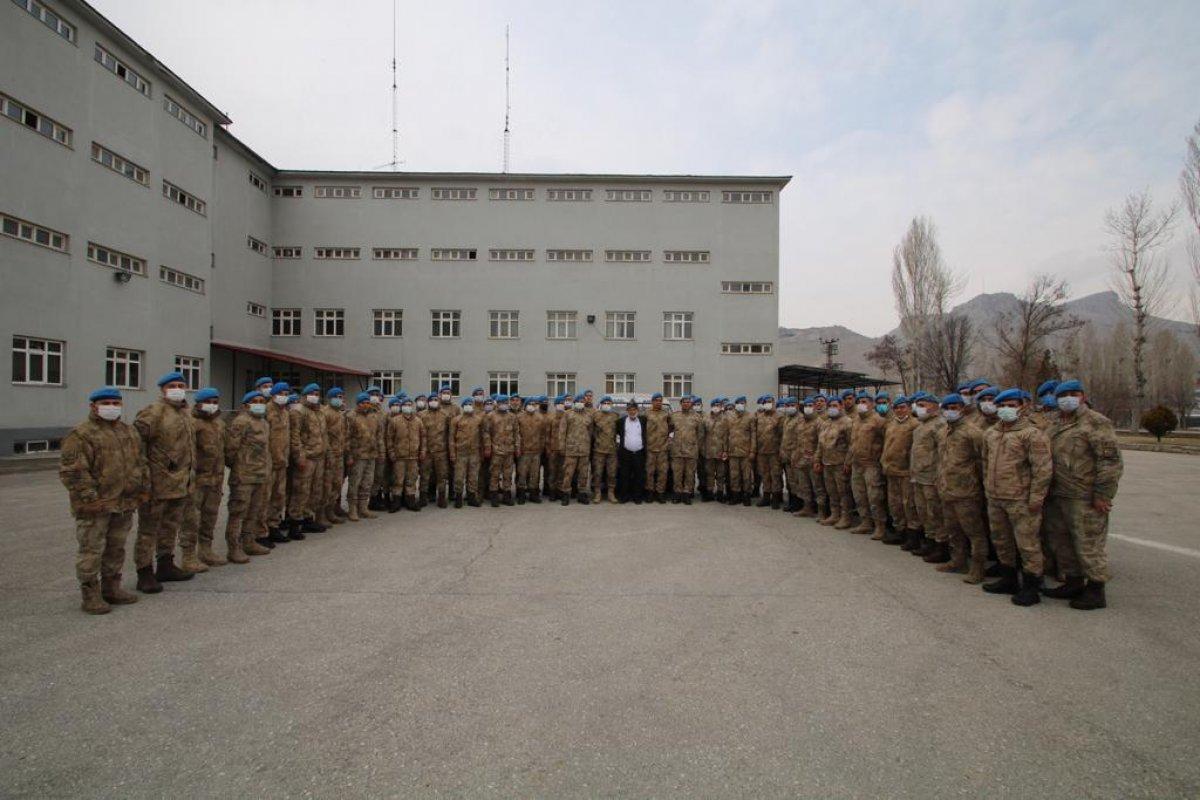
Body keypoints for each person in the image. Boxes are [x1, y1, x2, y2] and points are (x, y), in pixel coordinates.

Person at [59, 386, 148, 614]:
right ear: (93, 406)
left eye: (115, 403)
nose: (111, 407)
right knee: (91, 550)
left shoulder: (128, 431)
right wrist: (90, 499)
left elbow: (141, 462)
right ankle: (90, 594)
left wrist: (142, 488)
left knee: (116, 548)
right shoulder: (81, 434)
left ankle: (111, 588)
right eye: (106, 403)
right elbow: (74, 472)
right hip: (95, 506)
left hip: (123, 503)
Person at [1042, 379, 1124, 610]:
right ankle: (1073, 581)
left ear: (1083, 396)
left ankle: (1096, 589)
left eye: (1073, 393)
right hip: (1057, 493)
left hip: (1084, 496)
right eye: (1062, 394)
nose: (1067, 398)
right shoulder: (1054, 423)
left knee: (1088, 543)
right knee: (1062, 541)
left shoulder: (1096, 422)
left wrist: (1103, 494)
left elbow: (1110, 461)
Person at [981, 388, 1053, 603]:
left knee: (1028, 544)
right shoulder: (991, 434)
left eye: (1011, 405)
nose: (1005, 409)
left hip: (1020, 499)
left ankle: (1032, 584)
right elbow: (986, 463)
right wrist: (988, 488)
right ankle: (1009, 579)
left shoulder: (1032, 434)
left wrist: (1036, 498)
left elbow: (1042, 469)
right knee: (1001, 541)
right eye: (1002, 406)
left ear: (1023, 406)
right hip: (996, 496)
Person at [133, 371, 196, 593]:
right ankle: (144, 572)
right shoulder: (153, 413)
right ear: (163, 390)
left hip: (180, 484)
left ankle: (166, 565)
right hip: (157, 485)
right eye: (173, 386)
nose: (178, 389)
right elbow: (136, 448)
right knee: (148, 530)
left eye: (181, 385)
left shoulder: (185, 414)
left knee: (170, 527)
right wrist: (143, 480)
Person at [935, 393, 988, 574]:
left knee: (974, 532)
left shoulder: (973, 432)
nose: (951, 412)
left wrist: (978, 485)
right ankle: (958, 561)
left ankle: (978, 567)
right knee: (953, 530)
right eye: (947, 409)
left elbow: (983, 461)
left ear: (962, 409)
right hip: (947, 489)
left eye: (955, 408)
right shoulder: (943, 432)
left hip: (966, 492)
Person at [222, 390, 272, 563]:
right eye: (255, 401)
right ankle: (233, 547)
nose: (259, 403)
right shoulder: (241, 422)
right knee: (238, 512)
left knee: (254, 510)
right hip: (243, 476)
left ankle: (249, 542)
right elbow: (230, 450)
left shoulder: (264, 423)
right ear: (245, 405)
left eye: (261, 401)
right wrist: (240, 467)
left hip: (260, 474)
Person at [180, 387, 225, 572]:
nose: (212, 406)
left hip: (216, 478)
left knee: (210, 516)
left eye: (215, 402)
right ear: (198, 404)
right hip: (198, 479)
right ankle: (188, 556)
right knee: (191, 519)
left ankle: (206, 550)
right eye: (208, 402)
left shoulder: (219, 424)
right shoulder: (193, 424)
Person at [286, 383, 328, 537]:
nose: (315, 396)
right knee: (301, 491)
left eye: (317, 393)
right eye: (312, 393)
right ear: (304, 395)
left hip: (319, 457)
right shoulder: (298, 411)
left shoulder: (319, 412)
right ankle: (295, 523)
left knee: (315, 490)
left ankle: (308, 518)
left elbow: (324, 436)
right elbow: (295, 437)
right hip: (306, 458)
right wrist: (299, 457)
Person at [848, 390, 888, 537]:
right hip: (857, 463)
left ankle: (880, 526)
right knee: (859, 495)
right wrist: (848, 461)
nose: (861, 405)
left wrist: (882, 461)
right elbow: (852, 443)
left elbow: (887, 442)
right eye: (859, 402)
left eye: (864, 402)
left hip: (872, 464)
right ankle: (865, 522)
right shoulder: (856, 420)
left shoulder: (879, 421)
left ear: (872, 404)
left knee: (874, 497)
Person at [880, 394, 919, 546]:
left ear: (909, 408)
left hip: (906, 471)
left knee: (908, 504)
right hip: (891, 470)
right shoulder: (891, 424)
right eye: (896, 407)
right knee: (894, 503)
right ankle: (899, 531)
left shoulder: (915, 424)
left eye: (903, 407)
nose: (899, 410)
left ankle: (913, 535)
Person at [814, 395, 853, 528]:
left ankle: (846, 517)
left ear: (841, 406)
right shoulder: (826, 423)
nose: (832, 409)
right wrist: (817, 460)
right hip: (827, 463)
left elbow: (851, 444)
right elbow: (820, 444)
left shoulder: (847, 422)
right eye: (830, 406)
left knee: (843, 492)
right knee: (832, 491)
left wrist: (848, 462)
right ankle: (834, 514)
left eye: (835, 406)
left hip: (840, 464)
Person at [261, 381, 292, 543]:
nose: (284, 397)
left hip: (282, 460)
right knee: (265, 497)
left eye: (287, 395)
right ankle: (261, 531)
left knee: (278, 496)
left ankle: (273, 526)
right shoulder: (266, 411)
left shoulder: (285, 412)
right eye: (281, 394)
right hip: (269, 462)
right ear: (273, 395)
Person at [345, 390, 382, 521]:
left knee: (367, 483)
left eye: (368, 402)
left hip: (371, 455)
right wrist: (349, 455)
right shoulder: (351, 416)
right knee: (355, 483)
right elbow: (347, 438)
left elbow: (378, 436)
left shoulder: (373, 416)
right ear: (358, 404)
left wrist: (379, 451)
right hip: (357, 456)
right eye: (363, 403)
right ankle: (352, 509)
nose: (366, 405)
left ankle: (363, 508)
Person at [386, 396, 426, 511]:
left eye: (409, 405)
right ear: (401, 407)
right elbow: (389, 438)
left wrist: (422, 451)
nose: (408, 407)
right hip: (399, 456)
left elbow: (423, 437)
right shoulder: (395, 421)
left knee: (411, 479)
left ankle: (411, 501)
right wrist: (391, 452)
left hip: (413, 456)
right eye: (405, 405)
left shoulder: (418, 421)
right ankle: (396, 502)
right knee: (398, 479)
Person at [449, 397, 485, 507]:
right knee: (459, 476)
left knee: (473, 476)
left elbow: (482, 437)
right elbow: (451, 438)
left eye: (470, 404)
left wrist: (482, 452)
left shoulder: (478, 419)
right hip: (460, 453)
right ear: (463, 406)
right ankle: (458, 497)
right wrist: (452, 453)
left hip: (474, 453)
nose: (469, 406)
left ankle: (471, 497)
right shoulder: (456, 420)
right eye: (466, 404)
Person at [320, 387, 349, 524]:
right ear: (330, 398)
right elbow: (323, 435)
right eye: (337, 396)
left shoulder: (340, 414)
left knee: (337, 484)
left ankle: (331, 511)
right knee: (326, 485)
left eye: (341, 396)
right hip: (328, 455)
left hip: (339, 454)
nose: (340, 399)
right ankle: (321, 515)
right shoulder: (325, 413)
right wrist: (327, 453)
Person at [558, 393, 593, 505]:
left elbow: (590, 432)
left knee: (583, 473)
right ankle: (566, 494)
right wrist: (562, 447)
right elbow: (562, 432)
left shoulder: (588, 415)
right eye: (579, 401)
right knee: (568, 473)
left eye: (582, 401)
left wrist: (588, 445)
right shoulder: (568, 414)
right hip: (571, 449)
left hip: (584, 449)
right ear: (575, 402)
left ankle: (582, 494)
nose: (581, 403)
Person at [670, 395, 704, 504]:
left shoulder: (697, 417)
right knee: (677, 474)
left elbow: (701, 434)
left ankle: (687, 494)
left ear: (691, 404)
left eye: (688, 402)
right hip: (677, 451)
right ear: (680, 404)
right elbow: (669, 431)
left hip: (691, 451)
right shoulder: (674, 416)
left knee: (690, 474)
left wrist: (695, 446)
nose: (686, 404)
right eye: (684, 402)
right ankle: (677, 494)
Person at [419, 391, 451, 508]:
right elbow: (419, 433)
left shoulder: (445, 415)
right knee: (424, 475)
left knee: (441, 475)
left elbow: (449, 433)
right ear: (428, 402)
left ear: (439, 402)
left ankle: (441, 498)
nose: (434, 402)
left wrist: (449, 450)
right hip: (426, 451)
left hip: (441, 451)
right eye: (431, 400)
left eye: (435, 400)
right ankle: (423, 498)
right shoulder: (421, 415)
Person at [724, 396, 756, 506]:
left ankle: (746, 495)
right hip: (732, 452)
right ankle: (735, 496)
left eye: (743, 403)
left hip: (745, 452)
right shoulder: (729, 416)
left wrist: (752, 451)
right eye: (738, 403)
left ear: (746, 404)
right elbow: (726, 434)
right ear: (735, 404)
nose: (740, 405)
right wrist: (725, 450)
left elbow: (753, 434)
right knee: (734, 475)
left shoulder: (750, 417)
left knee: (746, 475)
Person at [753, 394, 783, 508]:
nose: (768, 404)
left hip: (774, 452)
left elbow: (782, 435)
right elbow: (755, 434)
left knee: (775, 475)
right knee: (765, 474)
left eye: (770, 401)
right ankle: (766, 497)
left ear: (774, 403)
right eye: (765, 402)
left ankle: (776, 498)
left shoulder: (779, 417)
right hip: (762, 452)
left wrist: (781, 450)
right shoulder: (759, 417)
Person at [643, 393, 674, 502]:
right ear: (652, 401)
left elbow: (672, 427)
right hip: (650, 448)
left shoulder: (666, 414)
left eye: (660, 400)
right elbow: (642, 429)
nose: (658, 402)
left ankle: (660, 493)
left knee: (663, 472)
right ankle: (650, 492)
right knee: (649, 472)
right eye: (656, 400)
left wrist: (669, 438)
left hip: (663, 448)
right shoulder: (646, 413)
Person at [517, 395, 547, 503]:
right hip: (524, 451)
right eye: (529, 404)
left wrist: (542, 447)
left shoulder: (540, 418)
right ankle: (521, 494)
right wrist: (518, 447)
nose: (531, 406)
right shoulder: (519, 417)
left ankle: (533, 494)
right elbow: (517, 434)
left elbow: (543, 434)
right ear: (525, 406)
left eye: (533, 404)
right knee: (522, 473)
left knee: (535, 473)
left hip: (536, 451)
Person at [616, 401, 648, 503]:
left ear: (637, 410)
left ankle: (637, 497)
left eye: (634, 409)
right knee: (624, 475)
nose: (632, 411)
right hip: (625, 453)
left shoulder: (643, 420)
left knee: (639, 476)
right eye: (630, 410)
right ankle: (624, 496)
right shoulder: (621, 421)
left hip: (639, 453)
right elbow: (617, 435)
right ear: (627, 411)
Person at [591, 395, 620, 503]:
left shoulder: (615, 416)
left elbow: (619, 432)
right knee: (598, 472)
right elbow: (591, 430)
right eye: (605, 403)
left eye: (609, 403)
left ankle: (611, 493)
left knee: (611, 473)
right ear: (601, 404)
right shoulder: (596, 415)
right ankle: (597, 493)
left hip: (612, 450)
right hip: (598, 450)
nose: (607, 405)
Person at [702, 397, 728, 502]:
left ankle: (720, 493)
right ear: (711, 406)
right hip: (708, 451)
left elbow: (726, 436)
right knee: (709, 473)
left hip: (720, 451)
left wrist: (726, 450)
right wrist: (703, 449)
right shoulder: (705, 418)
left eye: (718, 405)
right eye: (715, 405)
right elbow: (701, 436)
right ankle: (709, 493)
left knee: (721, 474)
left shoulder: (725, 419)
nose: (716, 407)